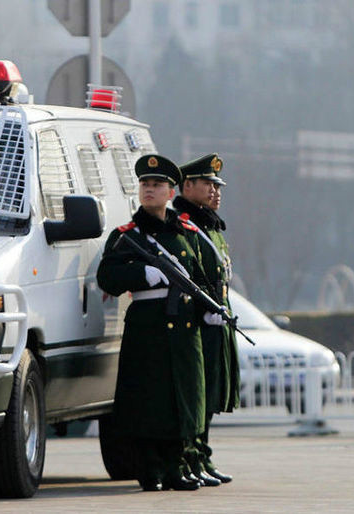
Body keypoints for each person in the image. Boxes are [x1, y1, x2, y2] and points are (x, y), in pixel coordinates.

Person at [96, 154, 210, 492]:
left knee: (183, 397)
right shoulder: (127, 236)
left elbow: (200, 276)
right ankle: (152, 469)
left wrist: (209, 308)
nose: (150, 190)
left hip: (184, 330)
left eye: (157, 185)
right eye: (145, 184)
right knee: (148, 399)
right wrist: (142, 274)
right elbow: (108, 276)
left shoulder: (187, 232)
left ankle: (177, 465)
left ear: (171, 191)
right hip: (148, 330)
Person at [173, 153, 239, 485]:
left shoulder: (210, 225)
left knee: (210, 392)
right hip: (196, 321)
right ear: (187, 186)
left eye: (217, 185)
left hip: (216, 319)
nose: (216, 191)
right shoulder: (184, 223)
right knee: (195, 395)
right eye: (208, 184)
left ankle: (202, 455)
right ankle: (190, 458)